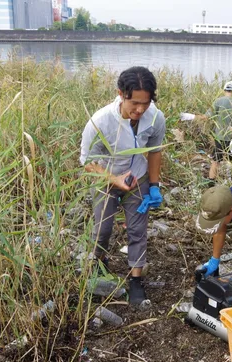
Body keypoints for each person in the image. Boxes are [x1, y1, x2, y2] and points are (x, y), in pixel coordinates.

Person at [79, 66, 166, 306]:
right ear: (120, 93)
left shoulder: (156, 117)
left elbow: (155, 151)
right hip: (105, 179)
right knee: (102, 228)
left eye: (145, 103)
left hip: (137, 178)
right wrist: (114, 179)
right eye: (134, 103)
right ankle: (97, 264)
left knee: (138, 230)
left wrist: (155, 185)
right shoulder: (101, 120)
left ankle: (136, 281)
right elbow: (86, 161)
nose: (139, 109)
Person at [184, 81, 232, 180]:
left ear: (224, 90)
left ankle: (211, 183)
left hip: (220, 136)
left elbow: (206, 117)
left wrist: (190, 116)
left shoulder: (218, 101)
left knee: (216, 161)